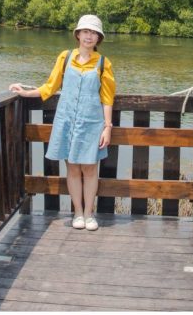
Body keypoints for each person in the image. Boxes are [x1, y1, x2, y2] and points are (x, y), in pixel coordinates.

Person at [9, 14, 115, 230]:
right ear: (78, 35)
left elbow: (107, 98)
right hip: (67, 121)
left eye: (93, 33)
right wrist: (26, 93)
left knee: (90, 169)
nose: (89, 36)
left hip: (91, 123)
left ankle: (89, 214)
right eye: (85, 31)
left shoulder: (104, 63)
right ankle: (77, 213)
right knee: (73, 168)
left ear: (98, 38)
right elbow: (50, 86)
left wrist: (107, 127)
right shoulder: (65, 58)